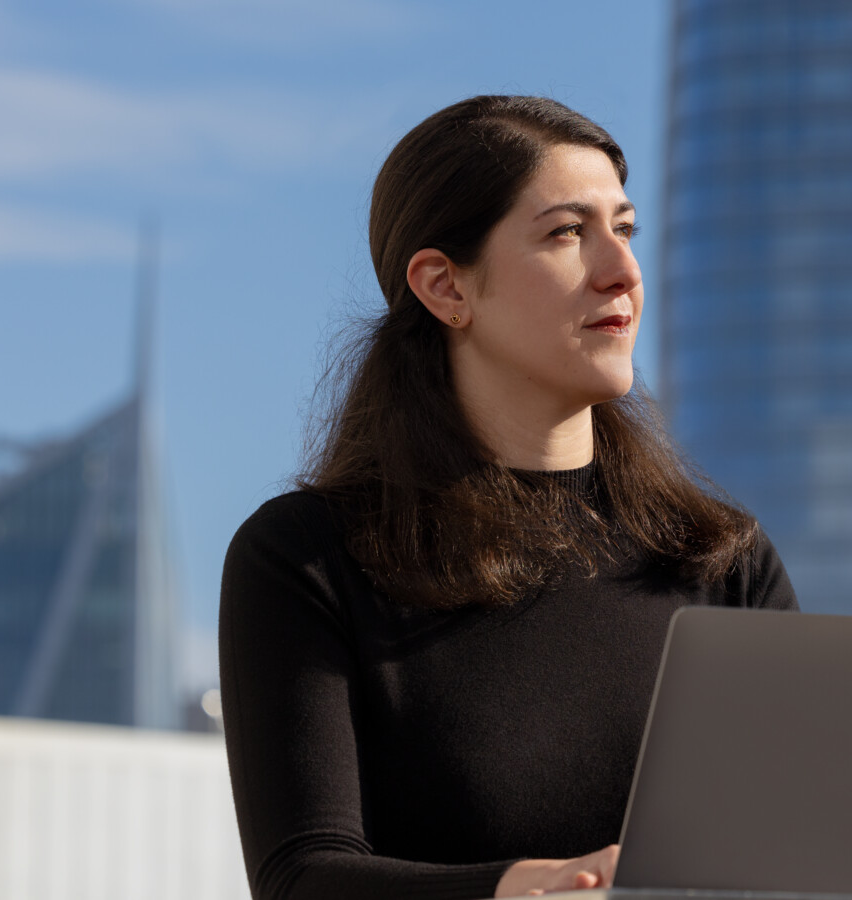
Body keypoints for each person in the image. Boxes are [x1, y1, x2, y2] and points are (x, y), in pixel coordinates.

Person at [219, 95, 799, 900]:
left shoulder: (721, 559)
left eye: (625, 230)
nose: (622, 270)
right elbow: (302, 877)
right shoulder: (307, 557)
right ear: (444, 286)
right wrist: (526, 889)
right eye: (568, 233)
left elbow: (800, 853)